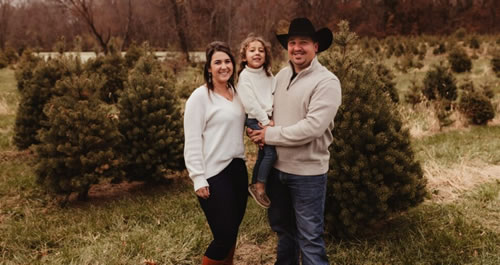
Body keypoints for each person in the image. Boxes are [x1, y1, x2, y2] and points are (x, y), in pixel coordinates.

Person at [248, 18, 342, 265]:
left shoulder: (327, 82)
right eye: (292, 43)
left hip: (307, 175)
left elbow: (312, 128)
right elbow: (272, 113)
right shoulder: (280, 77)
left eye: (304, 43)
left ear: (316, 46)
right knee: (284, 233)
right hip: (277, 171)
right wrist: (261, 128)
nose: (297, 48)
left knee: (310, 238)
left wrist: (271, 134)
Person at [184, 41, 248, 265]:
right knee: (223, 235)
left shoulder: (238, 93)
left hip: (238, 169)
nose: (224, 66)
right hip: (213, 173)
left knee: (232, 231)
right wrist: (197, 177)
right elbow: (191, 140)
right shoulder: (200, 98)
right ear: (209, 68)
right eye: (217, 62)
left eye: (227, 61)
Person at [236, 34, 276, 209]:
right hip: (255, 119)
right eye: (252, 50)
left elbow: (274, 94)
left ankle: (253, 185)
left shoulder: (268, 74)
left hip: (267, 118)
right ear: (244, 57)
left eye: (261, 50)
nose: (257, 53)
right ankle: (260, 186)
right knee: (271, 153)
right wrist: (266, 122)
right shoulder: (245, 77)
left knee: (263, 153)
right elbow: (251, 103)